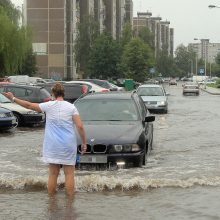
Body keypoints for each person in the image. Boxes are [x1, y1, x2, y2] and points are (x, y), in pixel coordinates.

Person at [3, 82, 87, 196]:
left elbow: (28, 105)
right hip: (68, 145)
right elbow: (80, 126)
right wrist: (84, 143)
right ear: (63, 93)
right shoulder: (71, 107)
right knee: (69, 174)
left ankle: (51, 201)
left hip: (52, 145)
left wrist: (13, 98)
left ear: (53, 93)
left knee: (53, 174)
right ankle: (70, 202)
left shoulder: (48, 105)